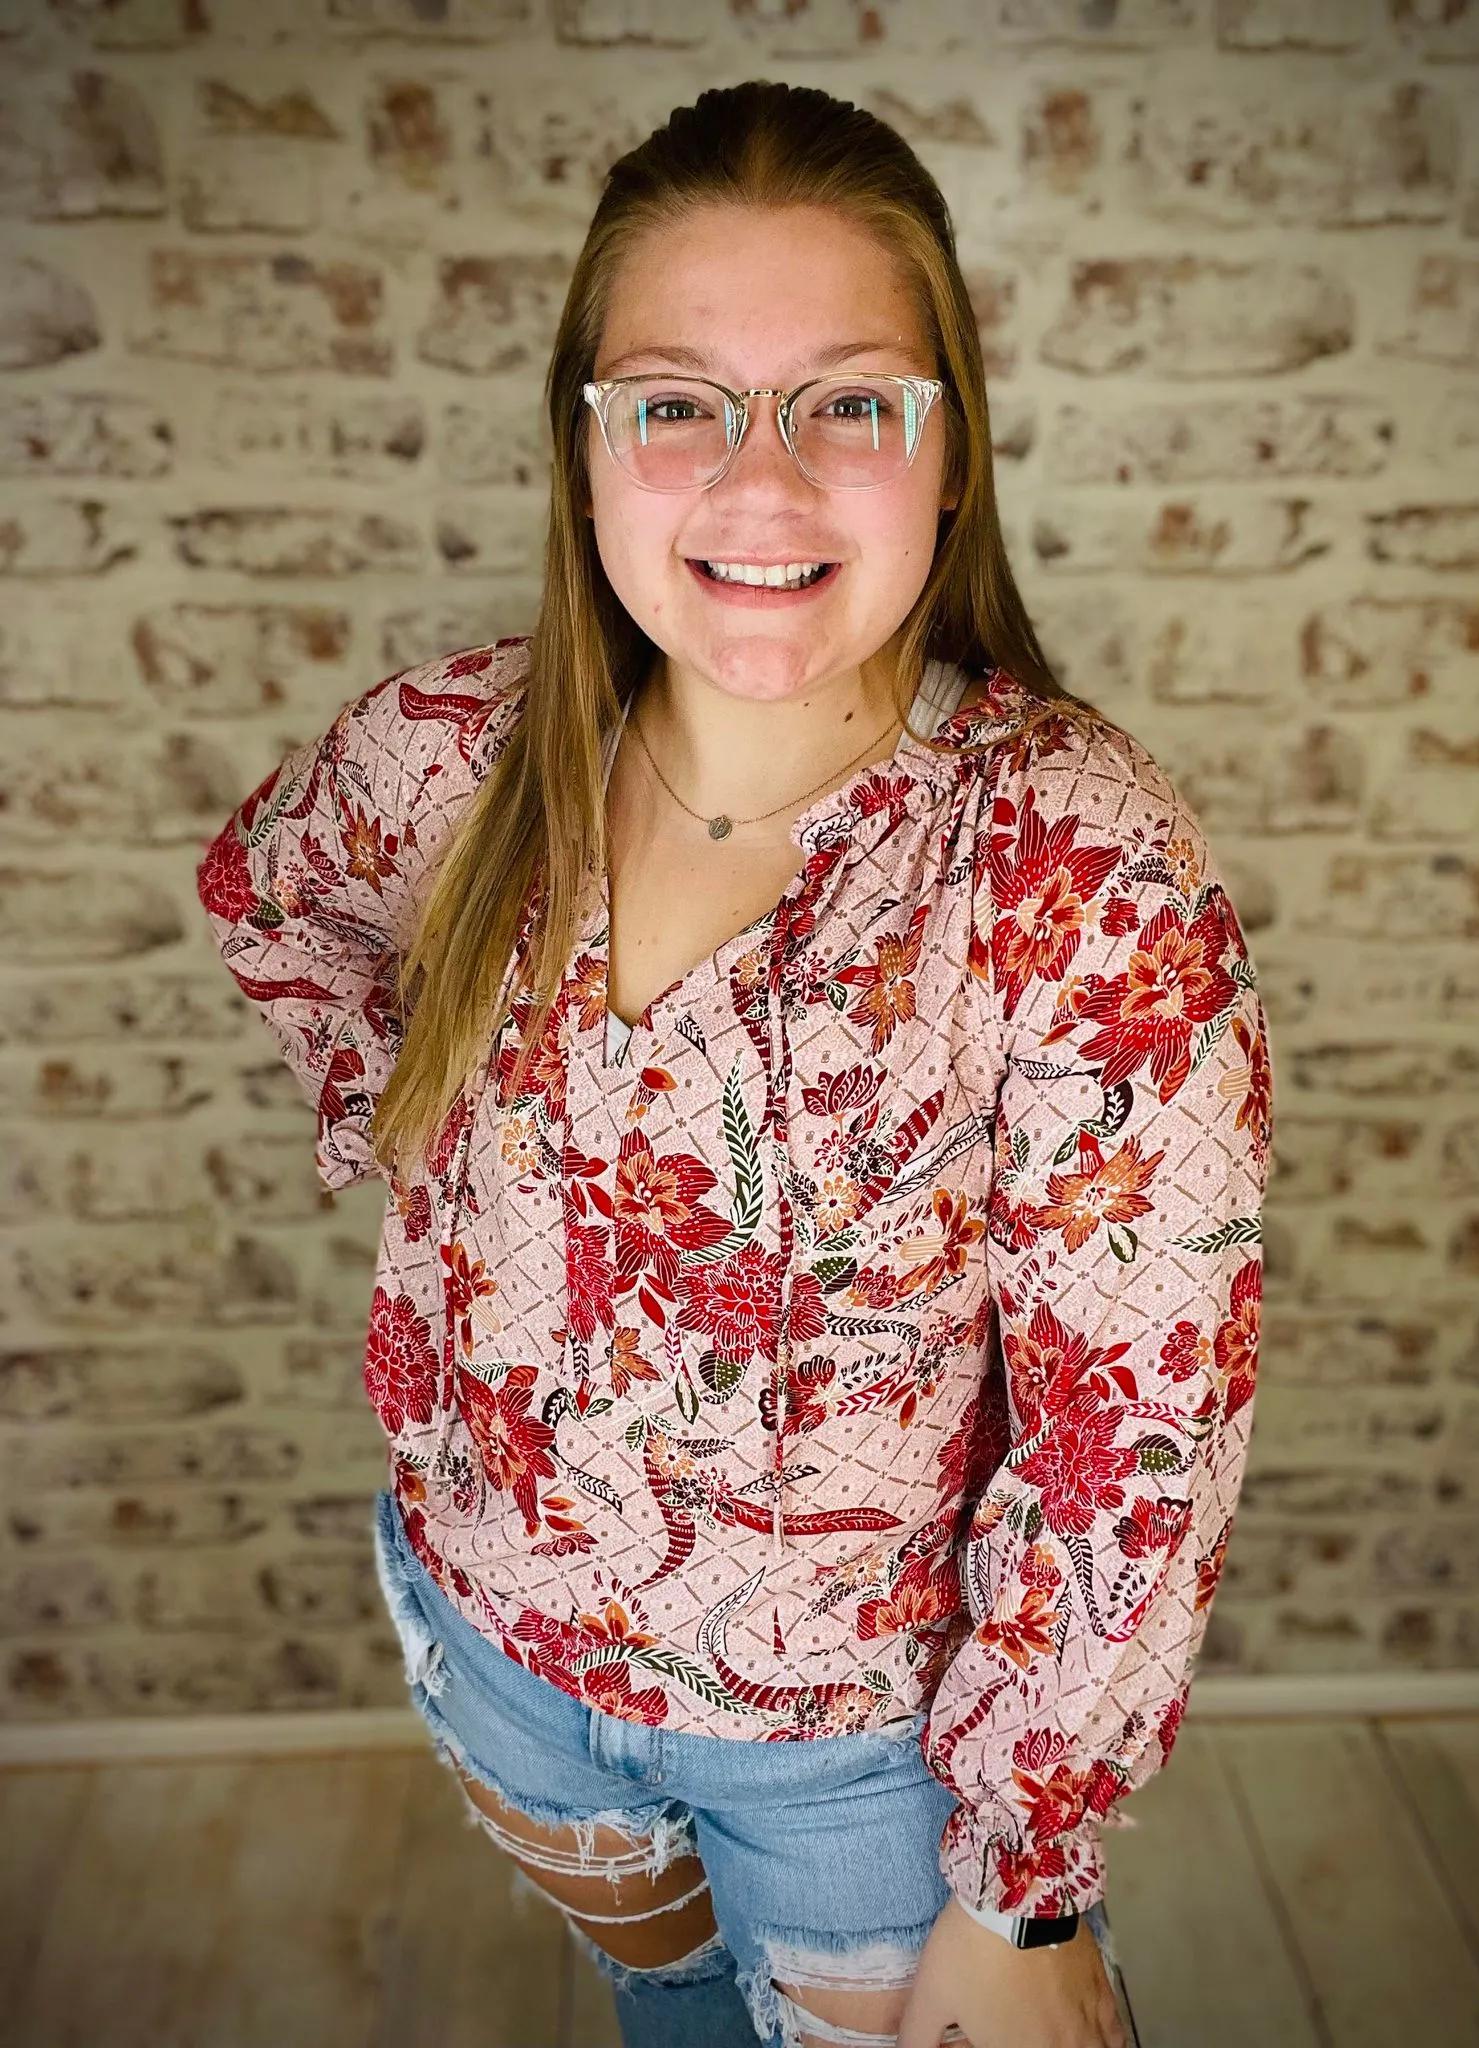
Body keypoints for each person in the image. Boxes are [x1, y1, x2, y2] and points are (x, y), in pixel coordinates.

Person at [197, 79, 1272, 2048]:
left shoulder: (1069, 858)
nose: (756, 486)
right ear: (585, 450)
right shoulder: (460, 748)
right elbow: (277, 893)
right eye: (677, 401)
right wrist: (438, 1181)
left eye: (850, 401)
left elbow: (1136, 1432)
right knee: (665, 2020)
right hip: (494, 1653)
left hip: (860, 1772)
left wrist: (1020, 1900)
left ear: (949, 454)